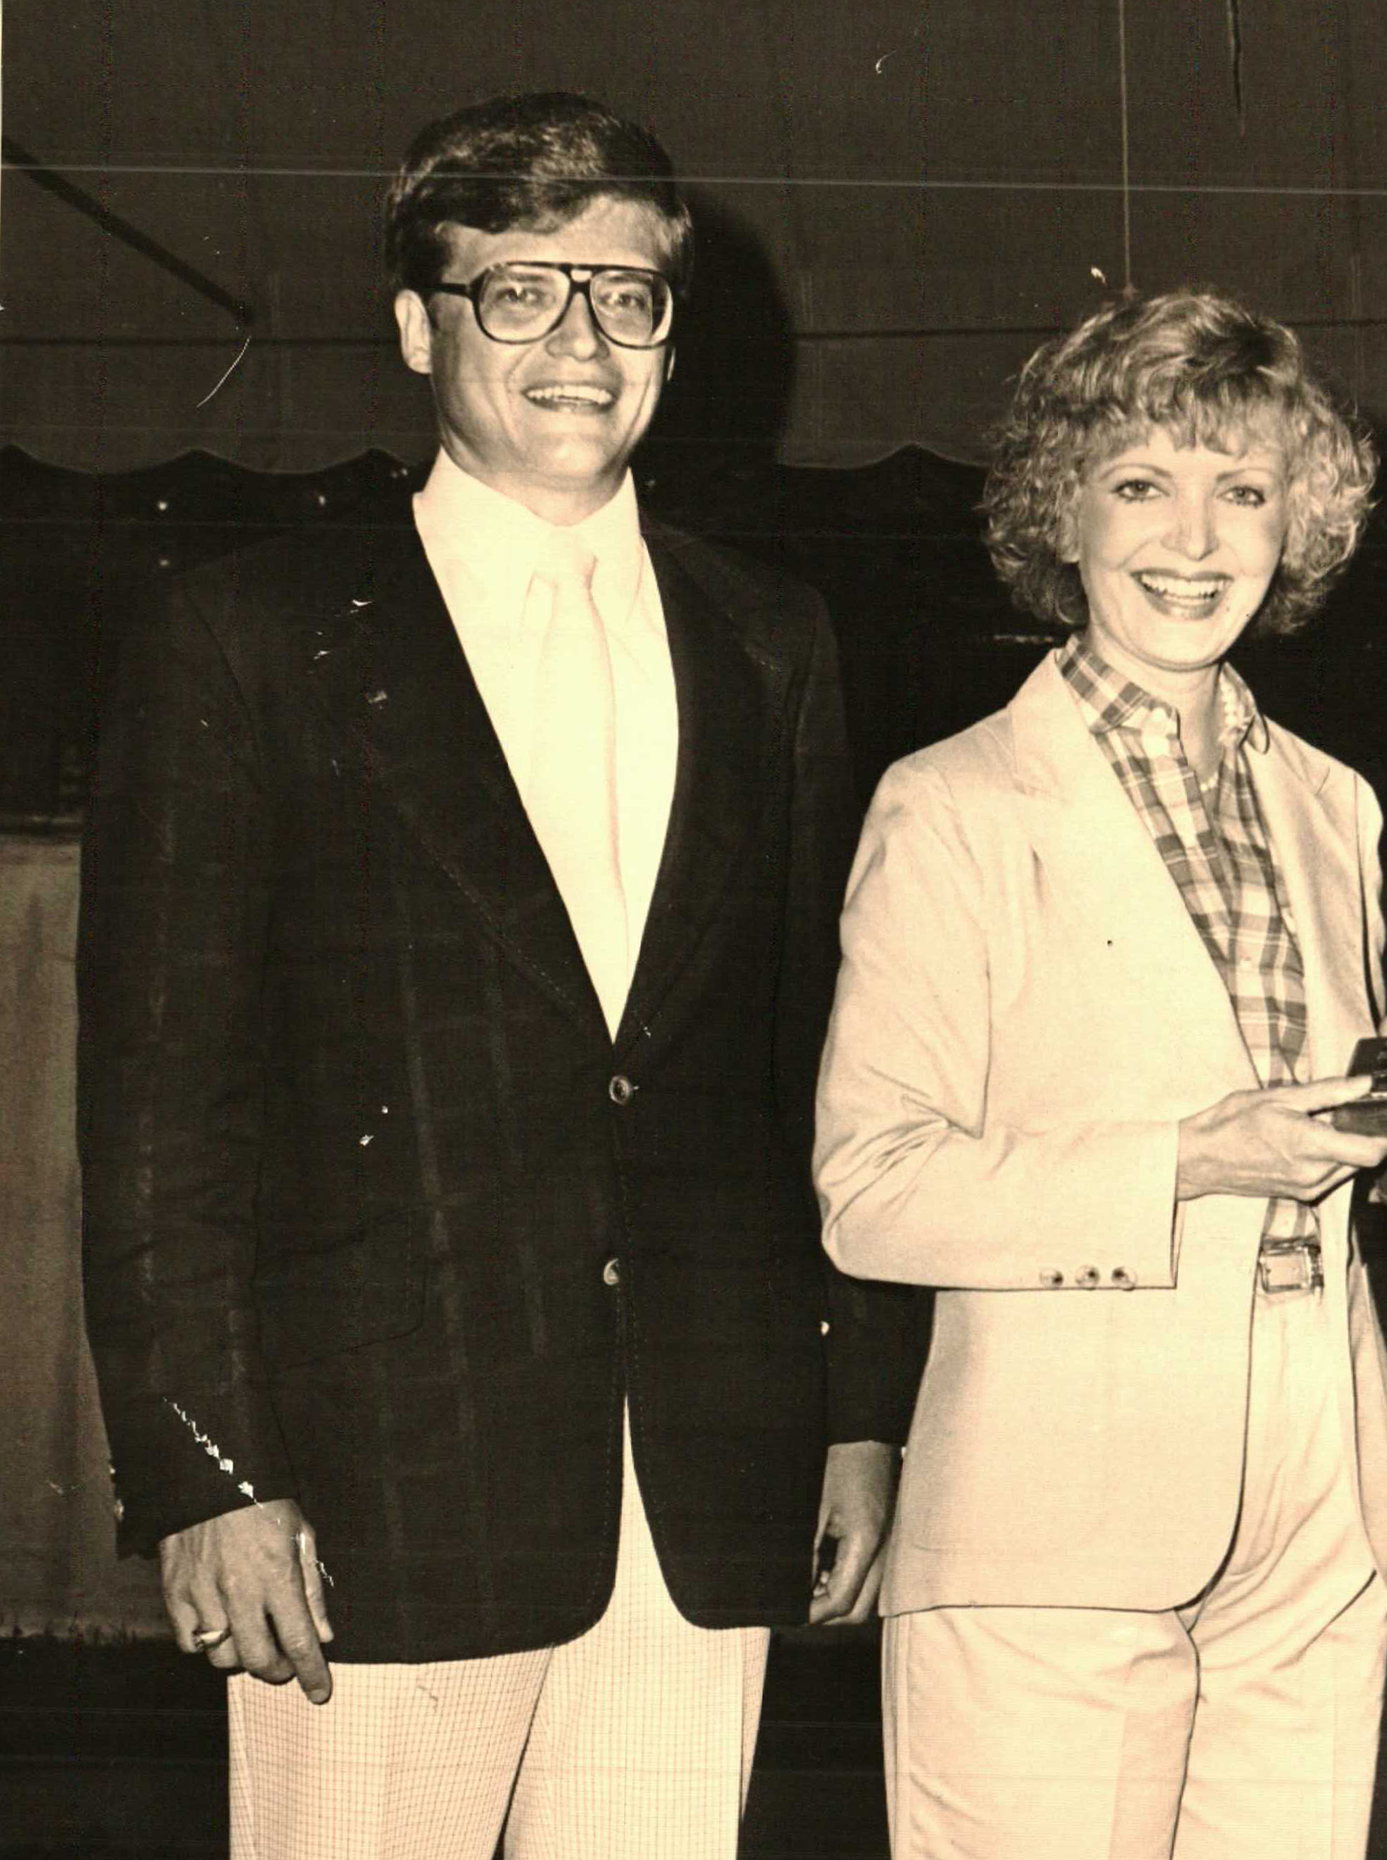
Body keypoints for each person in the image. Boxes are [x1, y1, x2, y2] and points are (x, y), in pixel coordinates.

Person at [77, 92, 919, 1859]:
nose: (580, 344)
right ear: (418, 327)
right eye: (519, 291)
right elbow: (159, 1106)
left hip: (704, 1476)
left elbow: (812, 1070)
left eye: (627, 296)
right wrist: (211, 1473)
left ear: (675, 334)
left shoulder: (772, 638)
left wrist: (859, 1414)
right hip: (371, 1485)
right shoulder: (245, 633)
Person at [814, 287, 1387, 1860]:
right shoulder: (950, 804)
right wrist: (1187, 1161)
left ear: (1299, 524)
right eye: (1141, 483)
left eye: (1245, 489)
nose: (1195, 539)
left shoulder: (1335, 803)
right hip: (1053, 1508)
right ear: (1062, 512)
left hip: (1320, 1494)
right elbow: (872, 1194)